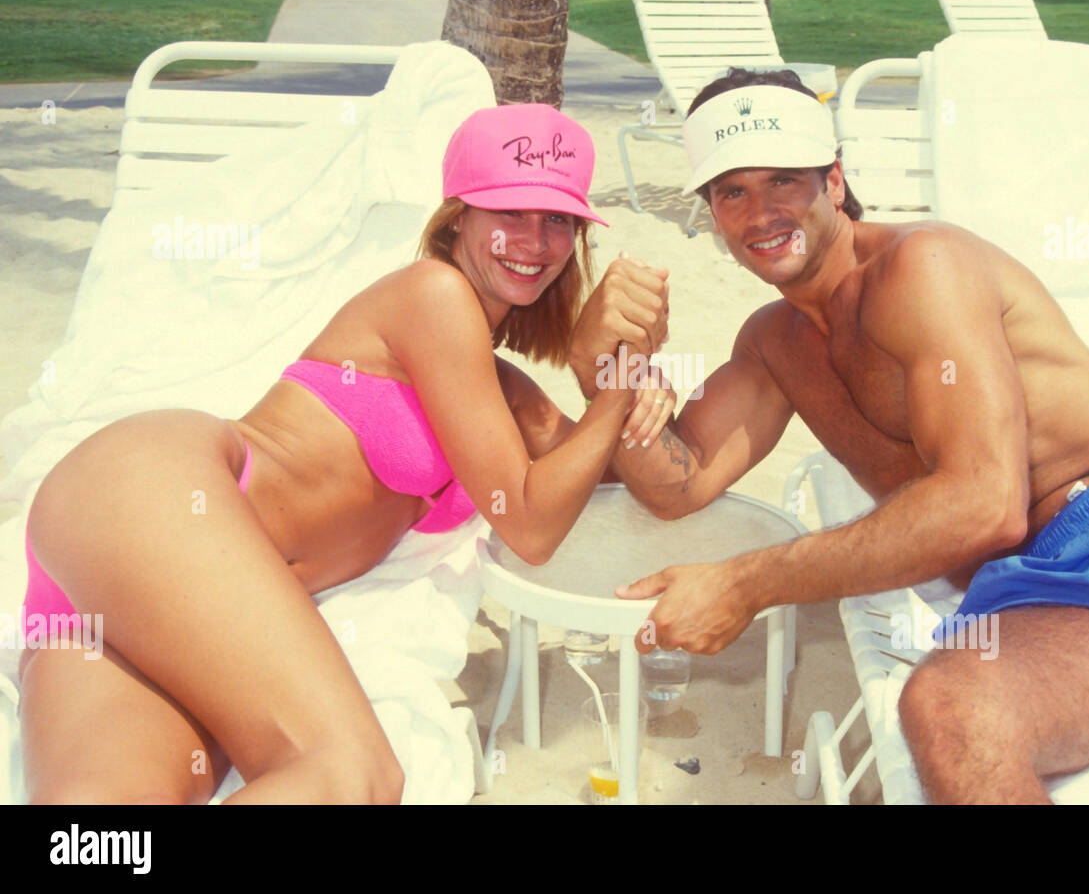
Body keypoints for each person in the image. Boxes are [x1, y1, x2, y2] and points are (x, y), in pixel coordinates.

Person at [566, 68, 1089, 802]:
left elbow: (986, 504)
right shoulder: (772, 344)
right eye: (732, 191)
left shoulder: (922, 267)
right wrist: (601, 366)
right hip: (1054, 594)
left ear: (835, 178)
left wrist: (745, 582)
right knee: (950, 714)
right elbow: (675, 483)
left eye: (783, 180)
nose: (759, 213)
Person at [18, 103, 674, 805]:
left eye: (558, 221)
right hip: (156, 493)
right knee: (349, 773)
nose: (534, 240)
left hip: (134, 587)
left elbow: (626, 486)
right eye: (508, 211)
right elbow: (533, 524)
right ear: (456, 219)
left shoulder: (500, 392)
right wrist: (614, 393)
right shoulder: (434, 294)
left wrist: (605, 367)